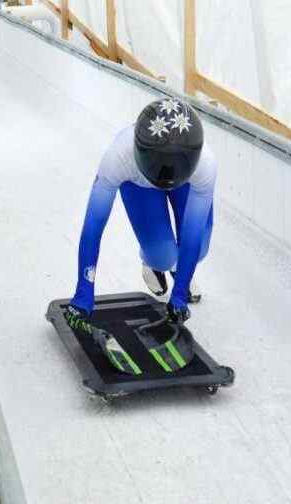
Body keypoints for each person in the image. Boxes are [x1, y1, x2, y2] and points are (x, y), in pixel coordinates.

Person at [65, 98, 215, 338]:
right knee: (163, 257)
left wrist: (179, 294)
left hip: (186, 183)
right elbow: (94, 225)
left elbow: (192, 233)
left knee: (200, 248)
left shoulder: (205, 165)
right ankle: (157, 264)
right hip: (140, 184)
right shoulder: (118, 158)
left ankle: (178, 272)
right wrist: (84, 291)